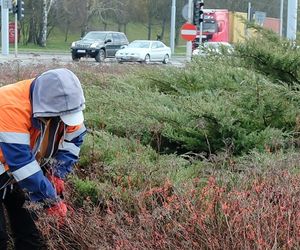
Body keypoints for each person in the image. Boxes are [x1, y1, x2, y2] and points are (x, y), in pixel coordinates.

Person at [0, 68, 87, 249]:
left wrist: (57, 173)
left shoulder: (65, 103)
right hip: (12, 166)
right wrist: (50, 201)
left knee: (31, 235)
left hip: (14, 172)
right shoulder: (9, 106)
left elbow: (75, 137)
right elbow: (22, 164)